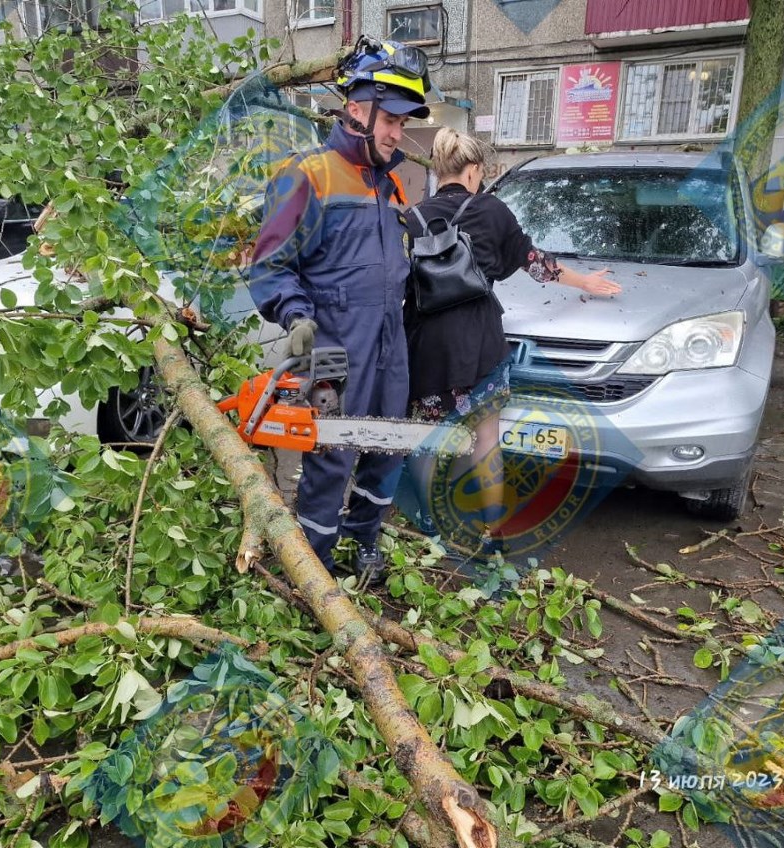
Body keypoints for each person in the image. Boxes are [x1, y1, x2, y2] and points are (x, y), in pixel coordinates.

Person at [248, 36, 431, 581]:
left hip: (388, 342)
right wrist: (296, 317)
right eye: (391, 119)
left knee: (387, 446)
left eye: (404, 123)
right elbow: (270, 265)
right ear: (356, 109)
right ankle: (316, 573)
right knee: (330, 460)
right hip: (331, 344)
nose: (399, 133)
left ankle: (364, 545)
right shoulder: (308, 174)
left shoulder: (391, 183)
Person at [403, 129, 622, 553]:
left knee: (427, 440)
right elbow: (535, 264)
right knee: (487, 439)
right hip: (481, 342)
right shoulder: (492, 210)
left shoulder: (411, 217)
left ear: (439, 171)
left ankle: (429, 527)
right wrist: (586, 281)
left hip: (428, 344)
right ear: (473, 172)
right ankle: (493, 533)